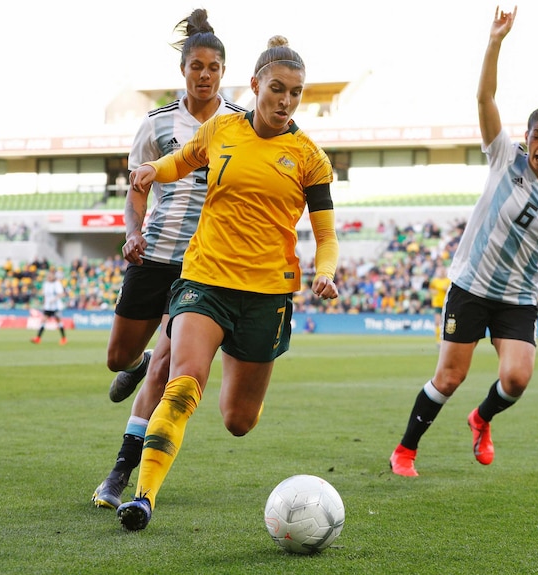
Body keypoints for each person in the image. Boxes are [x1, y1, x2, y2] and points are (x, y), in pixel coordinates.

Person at [115, 35, 339, 530]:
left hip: (267, 295)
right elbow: (185, 160)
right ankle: (143, 497)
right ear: (255, 84)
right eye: (277, 88)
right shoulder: (222, 129)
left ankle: (220, 384)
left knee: (239, 420)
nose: (285, 101)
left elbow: (325, 234)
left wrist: (325, 272)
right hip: (206, 278)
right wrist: (153, 169)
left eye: (296, 92)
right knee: (183, 385)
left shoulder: (309, 157)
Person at [388, 6, 538, 477]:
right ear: (526, 136)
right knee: (449, 377)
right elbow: (485, 96)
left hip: (517, 296)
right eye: (537, 135)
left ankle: (481, 418)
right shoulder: (503, 156)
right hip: (471, 286)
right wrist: (495, 42)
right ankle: (405, 450)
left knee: (516, 378)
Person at [91, 9, 246, 510]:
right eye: (197, 66)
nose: (205, 75)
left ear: (225, 72)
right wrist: (132, 233)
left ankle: (118, 475)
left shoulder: (241, 123)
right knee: (121, 358)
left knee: (164, 368)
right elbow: (137, 190)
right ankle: (131, 366)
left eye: (214, 67)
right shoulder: (156, 123)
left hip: (203, 265)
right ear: (183, 71)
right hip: (154, 253)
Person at [30, 269, 68, 345]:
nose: (48, 277)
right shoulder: (46, 284)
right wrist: (43, 302)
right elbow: (45, 295)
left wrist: (54, 299)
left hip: (56, 306)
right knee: (43, 320)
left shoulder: (57, 284)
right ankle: (38, 338)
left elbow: (62, 294)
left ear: (53, 276)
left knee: (58, 321)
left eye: (50, 276)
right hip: (48, 307)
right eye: (48, 276)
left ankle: (64, 338)